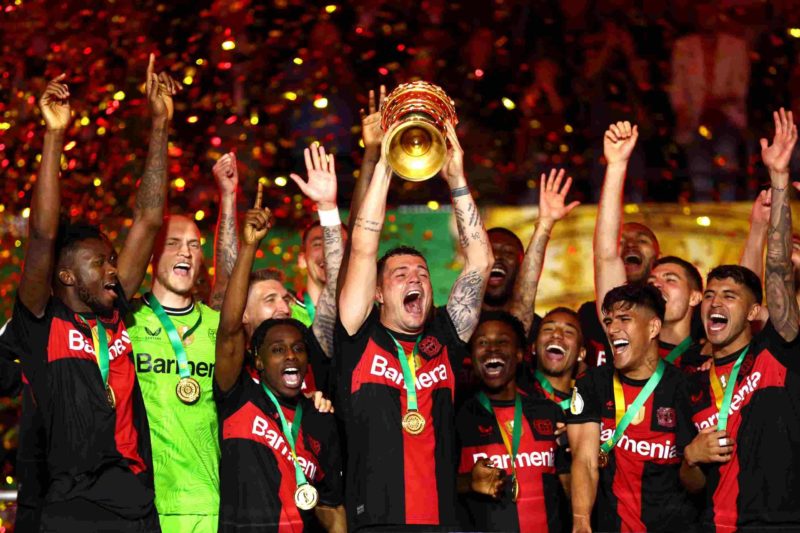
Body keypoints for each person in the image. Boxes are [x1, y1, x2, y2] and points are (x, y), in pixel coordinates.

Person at [12, 58, 179, 531]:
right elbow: (43, 236)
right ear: (65, 276)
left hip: (135, 501)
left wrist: (161, 125)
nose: (113, 269)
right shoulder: (43, 323)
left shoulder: (115, 313)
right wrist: (53, 136)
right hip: (70, 506)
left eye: (112, 260)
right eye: (99, 262)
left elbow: (148, 219)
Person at [336, 123, 493, 530]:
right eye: (400, 274)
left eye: (422, 273)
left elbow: (480, 262)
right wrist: (387, 163)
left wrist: (457, 179)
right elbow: (363, 245)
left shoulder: (445, 336)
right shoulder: (358, 333)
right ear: (378, 293)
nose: (414, 279)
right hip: (375, 524)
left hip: (443, 522)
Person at [682, 108, 800, 531]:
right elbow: (690, 483)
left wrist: (780, 180)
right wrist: (691, 457)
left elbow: (779, 272)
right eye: (710, 294)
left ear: (753, 312)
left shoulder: (777, 351)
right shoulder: (692, 382)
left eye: (730, 296)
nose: (715, 301)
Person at [214, 186, 345, 532]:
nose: (290, 355)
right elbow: (228, 330)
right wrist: (249, 246)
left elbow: (332, 507)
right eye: (276, 349)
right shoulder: (237, 392)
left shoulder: (319, 416)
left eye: (298, 348)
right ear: (256, 359)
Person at [125, 150, 238, 531]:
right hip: (142, 505)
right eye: (174, 242)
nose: (187, 251)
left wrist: (228, 197)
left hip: (209, 502)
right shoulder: (126, 322)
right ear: (153, 253)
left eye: (194, 244)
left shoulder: (216, 325)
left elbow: (229, 277)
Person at [568, 284, 698, 533]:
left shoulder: (684, 388)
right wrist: (581, 521)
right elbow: (584, 461)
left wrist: (695, 457)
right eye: (608, 321)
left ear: (653, 327)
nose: (612, 329)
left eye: (624, 319)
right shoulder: (592, 384)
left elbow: (695, 479)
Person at [456, 311, 568, 533]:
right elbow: (431, 488)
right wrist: (469, 482)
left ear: (519, 355)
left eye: (502, 342)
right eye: (482, 342)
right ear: (471, 356)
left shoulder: (549, 413)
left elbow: (571, 485)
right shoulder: (457, 417)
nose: (492, 348)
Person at [580, 121, 661, 368]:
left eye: (642, 240)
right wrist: (616, 165)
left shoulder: (686, 321)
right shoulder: (614, 317)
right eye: (622, 242)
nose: (630, 246)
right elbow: (605, 256)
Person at [648, 256, 705, 369]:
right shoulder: (632, 350)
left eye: (670, 280)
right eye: (651, 282)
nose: (656, 285)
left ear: (694, 298)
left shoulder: (705, 361)